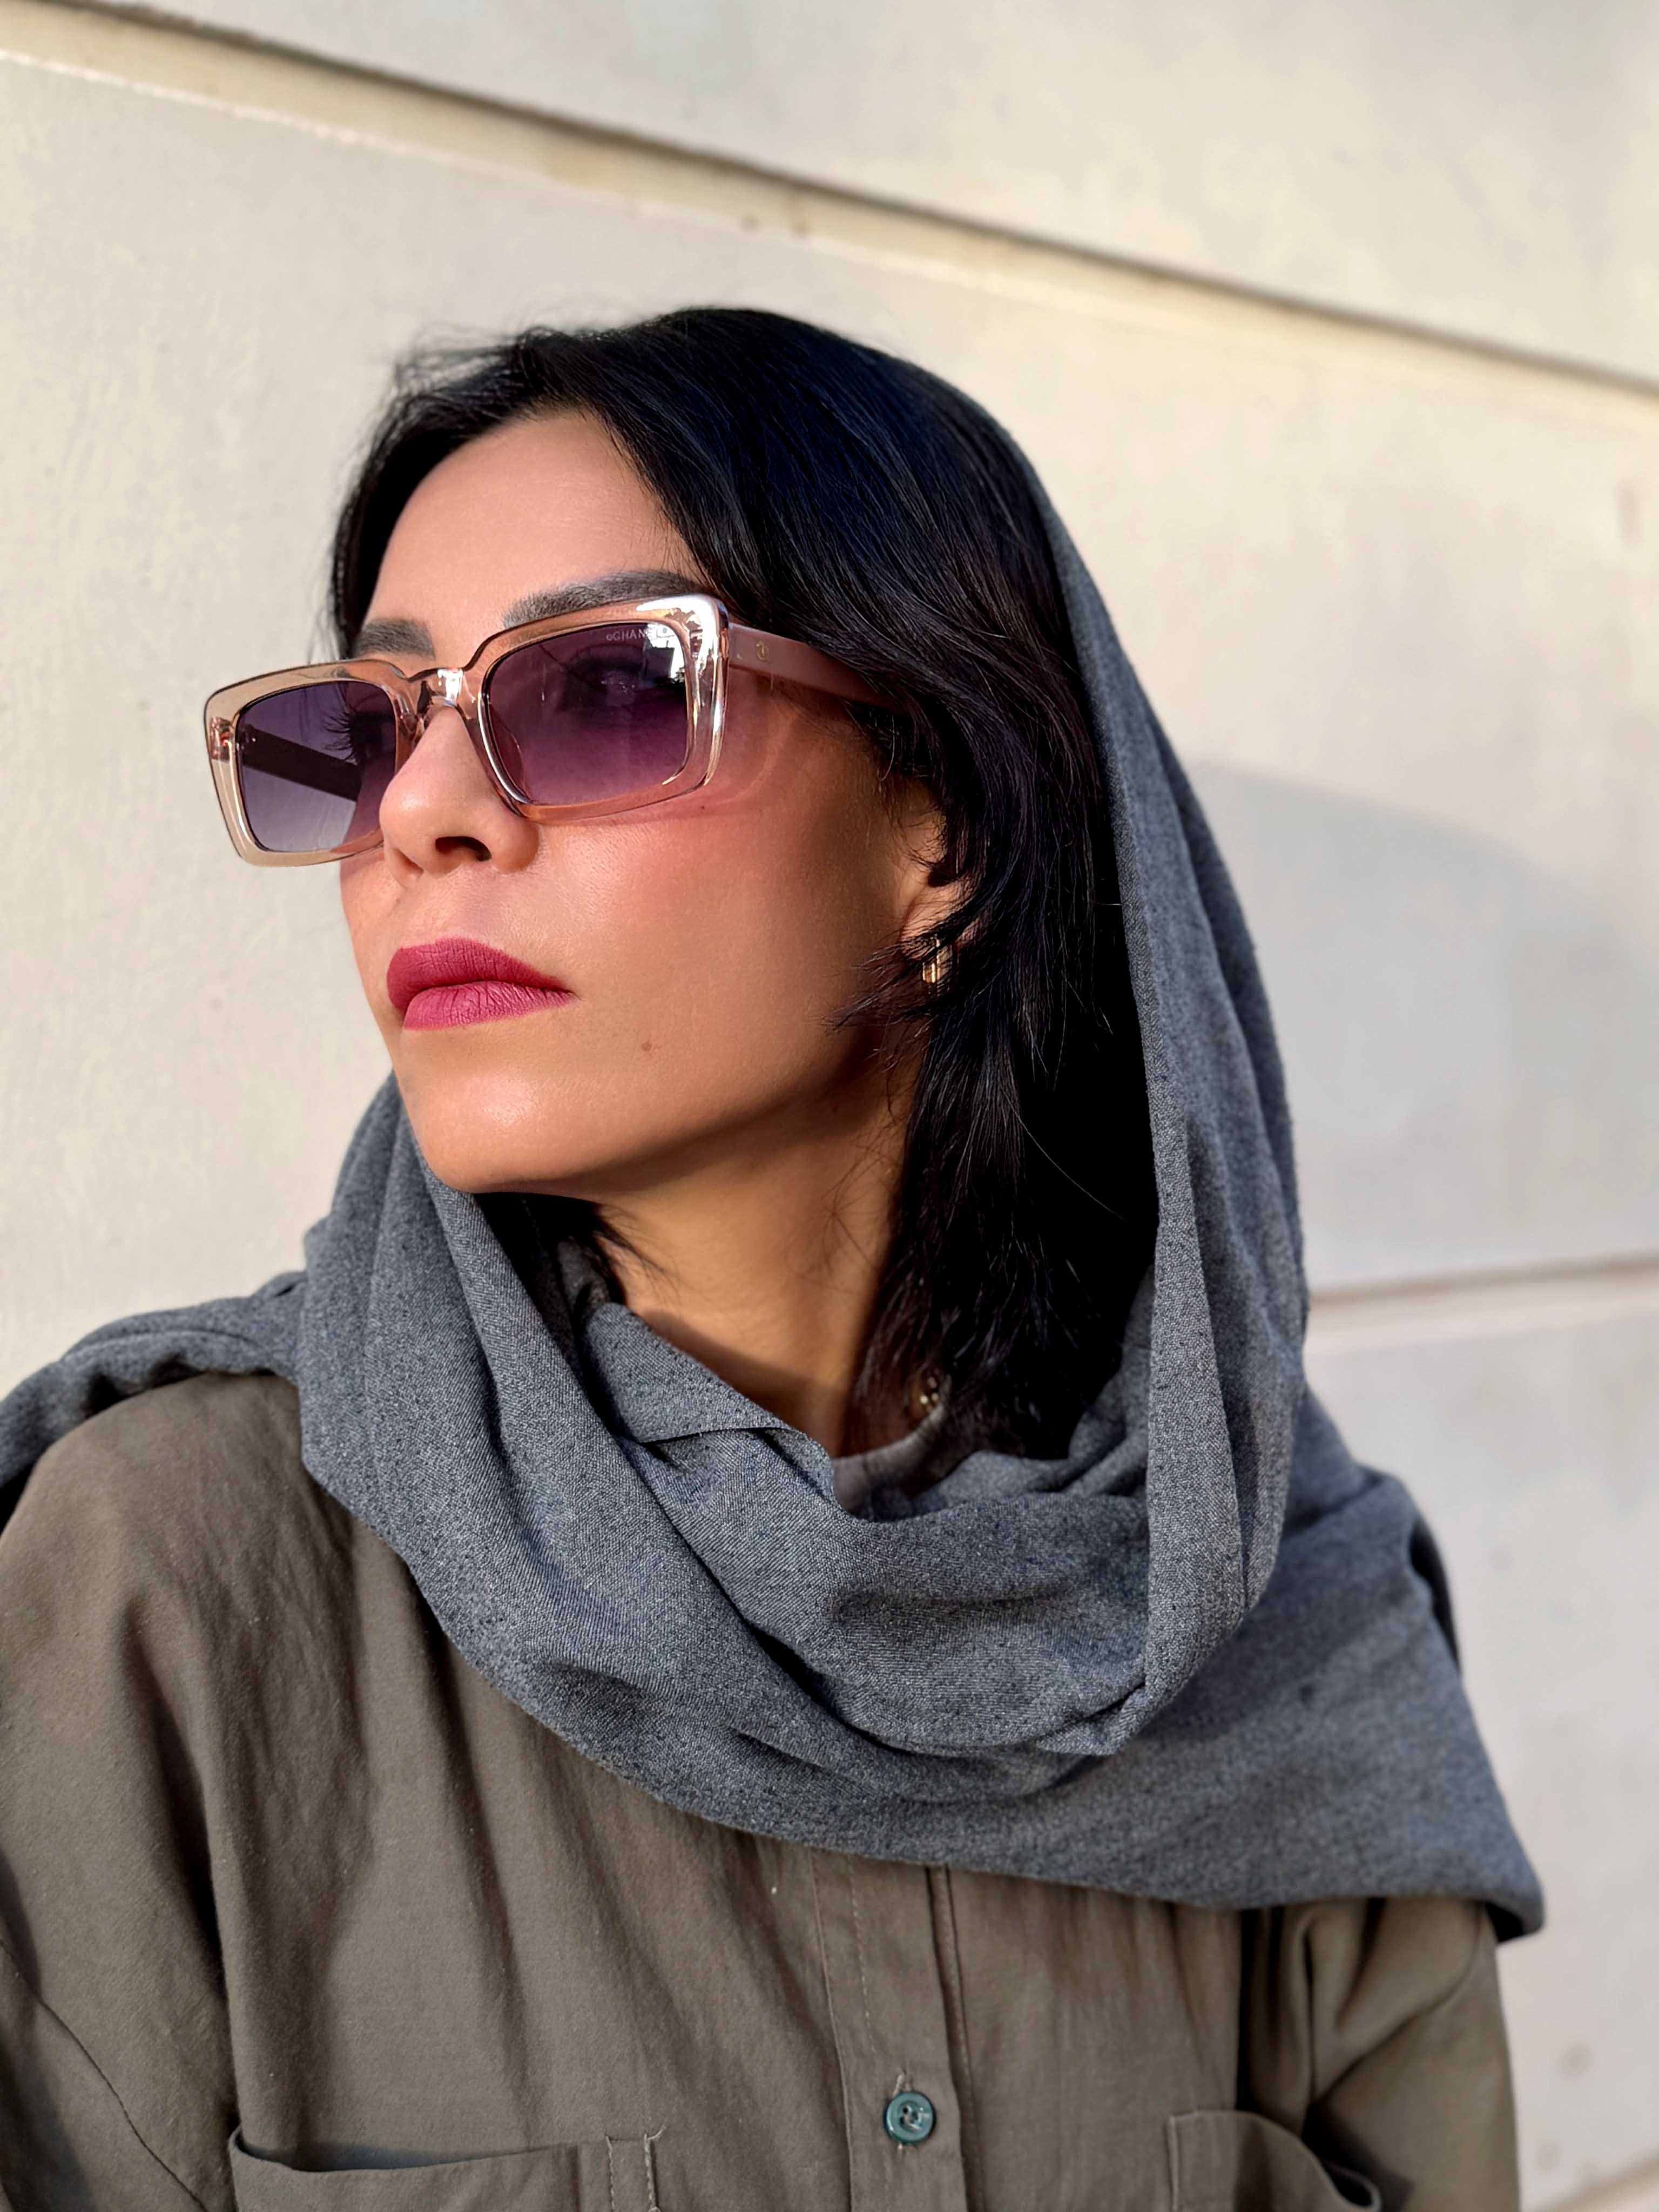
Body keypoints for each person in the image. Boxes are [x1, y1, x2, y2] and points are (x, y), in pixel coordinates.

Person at [0, 308, 1538, 2211]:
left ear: (943, 828)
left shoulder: (1269, 1608)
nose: (420, 814)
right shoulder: (168, 1584)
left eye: (599, 693)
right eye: (366, 731)